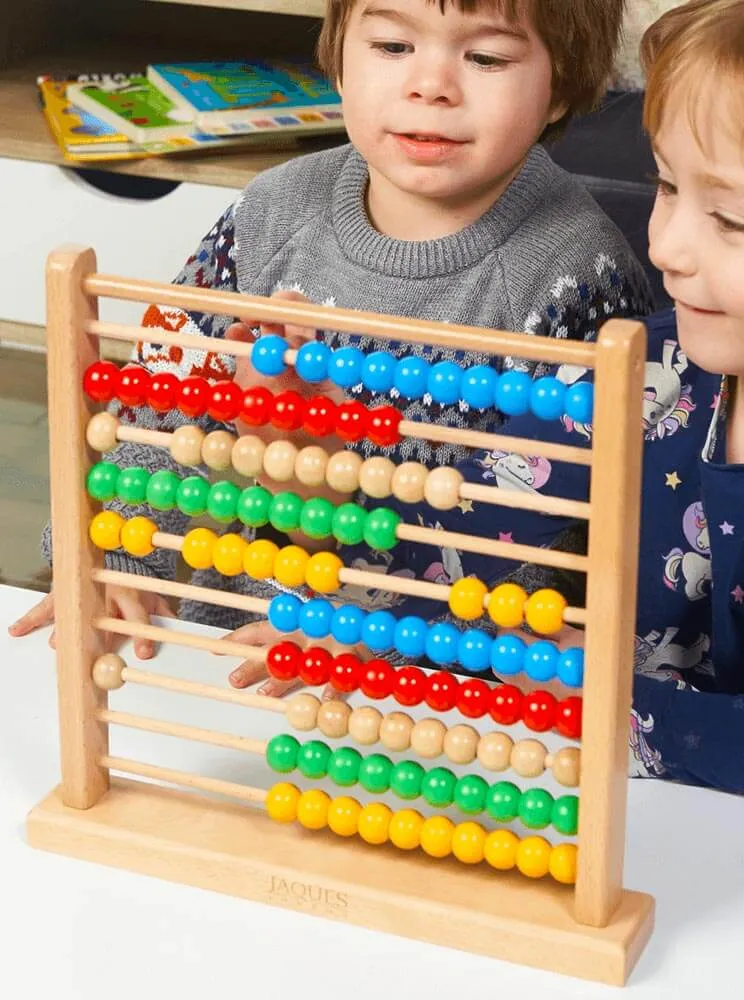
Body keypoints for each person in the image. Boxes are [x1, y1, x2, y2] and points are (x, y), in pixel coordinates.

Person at [310, 0, 744, 812]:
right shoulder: (651, 367)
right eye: (668, 186)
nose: (666, 246)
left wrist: (603, 712)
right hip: (673, 814)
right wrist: (351, 632)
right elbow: (467, 531)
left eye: (732, 220)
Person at [9, 0, 653, 684]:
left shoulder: (582, 281)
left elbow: (565, 558)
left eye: (486, 57)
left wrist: (391, 645)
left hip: (429, 684)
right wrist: (117, 555)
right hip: (237, 646)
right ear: (338, 53)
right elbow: (154, 408)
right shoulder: (271, 213)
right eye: (392, 46)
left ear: (563, 85)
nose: (430, 85)